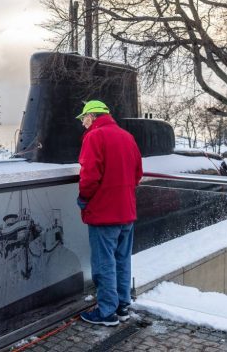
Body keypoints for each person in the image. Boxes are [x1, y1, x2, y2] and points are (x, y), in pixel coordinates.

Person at [75, 100, 142, 326]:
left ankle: (106, 312)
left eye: (83, 118)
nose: (83, 123)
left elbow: (89, 177)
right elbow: (137, 174)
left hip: (104, 214)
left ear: (92, 116)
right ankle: (122, 306)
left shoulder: (94, 137)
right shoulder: (127, 136)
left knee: (104, 263)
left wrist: (84, 199)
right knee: (122, 261)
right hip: (127, 212)